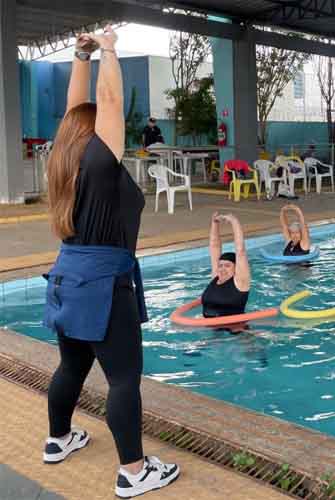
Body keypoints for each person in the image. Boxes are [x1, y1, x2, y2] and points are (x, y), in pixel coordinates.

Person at [41, 27, 179, 498]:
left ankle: (58, 440)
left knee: (71, 368)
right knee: (123, 379)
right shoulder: (100, 162)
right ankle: (135, 472)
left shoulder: (65, 158)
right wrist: (111, 51)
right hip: (103, 285)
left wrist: (81, 55)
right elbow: (110, 103)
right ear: (96, 132)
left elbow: (72, 113)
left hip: (67, 279)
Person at [202, 213, 251, 319]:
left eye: (227, 266)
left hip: (235, 332)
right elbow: (214, 245)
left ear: (236, 268)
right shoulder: (216, 276)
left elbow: (240, 250)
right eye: (220, 265)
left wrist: (234, 222)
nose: (222, 269)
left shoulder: (240, 282)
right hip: (209, 329)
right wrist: (215, 223)